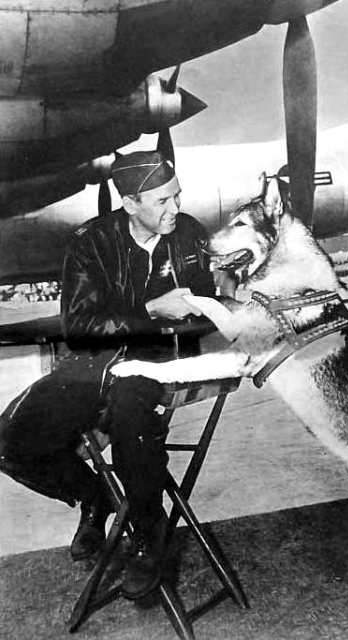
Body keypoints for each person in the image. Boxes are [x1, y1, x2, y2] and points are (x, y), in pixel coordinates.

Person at [0, 150, 233, 600]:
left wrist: (216, 297)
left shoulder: (190, 236)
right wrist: (151, 309)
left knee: (131, 420)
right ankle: (95, 496)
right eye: (162, 200)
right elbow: (81, 328)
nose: (175, 209)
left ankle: (149, 534)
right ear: (129, 204)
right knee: (11, 440)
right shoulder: (90, 242)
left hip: (157, 362)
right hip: (92, 364)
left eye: (177, 196)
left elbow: (211, 307)